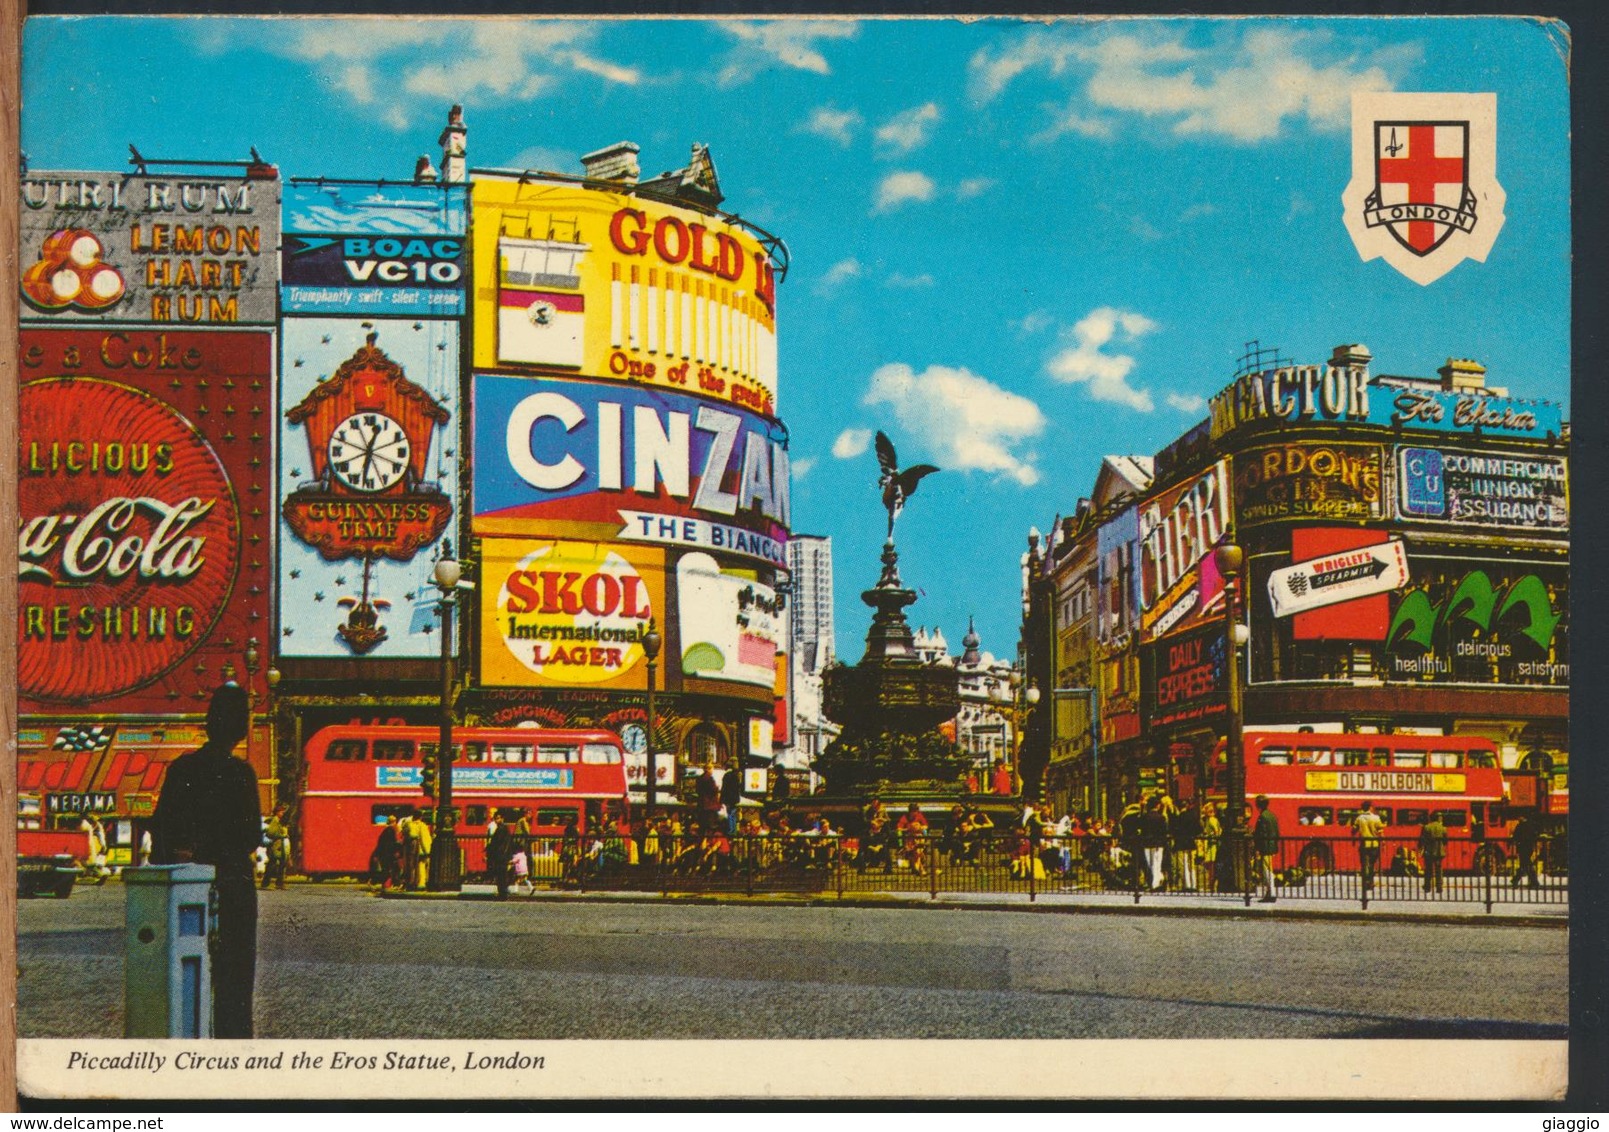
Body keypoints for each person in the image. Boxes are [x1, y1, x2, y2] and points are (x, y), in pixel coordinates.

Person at [151, 683, 262, 1038]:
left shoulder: (183, 769)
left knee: (185, 970)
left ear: (208, 722)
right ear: (241, 728)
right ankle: (234, 1046)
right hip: (233, 882)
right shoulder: (242, 774)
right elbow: (250, 837)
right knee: (235, 977)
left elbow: (161, 827)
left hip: (189, 881)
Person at [1351, 800, 1386, 893]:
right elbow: (1380, 832)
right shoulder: (1376, 818)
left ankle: (1366, 883)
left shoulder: (1359, 818)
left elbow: (1353, 830)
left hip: (1364, 844)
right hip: (1374, 844)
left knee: (1364, 864)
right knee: (1371, 864)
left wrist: (1354, 838)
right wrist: (1383, 843)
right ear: (1370, 807)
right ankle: (1370, 883)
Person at [1137, 795, 1169, 890]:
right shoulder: (1161, 818)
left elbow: (1141, 829)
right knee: (1157, 863)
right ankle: (1156, 883)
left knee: (1150, 864)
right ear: (1158, 805)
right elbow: (1164, 831)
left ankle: (1154, 882)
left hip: (1147, 843)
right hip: (1158, 844)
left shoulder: (1144, 817)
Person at [1252, 794, 1280, 903]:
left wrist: (1258, 848)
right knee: (1269, 869)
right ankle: (1270, 893)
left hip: (1265, 847)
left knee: (1267, 870)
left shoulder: (1262, 816)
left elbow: (1262, 834)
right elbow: (1277, 832)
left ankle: (1271, 893)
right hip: (1271, 846)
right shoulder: (1272, 815)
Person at [1171, 800, 1202, 891]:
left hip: (1181, 844)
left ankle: (1187, 885)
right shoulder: (1193, 817)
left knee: (1183, 865)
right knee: (1191, 865)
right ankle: (1194, 884)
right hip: (1191, 843)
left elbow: (1173, 831)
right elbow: (1199, 829)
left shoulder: (1178, 818)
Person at [262, 805, 292, 891]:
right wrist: (281, 835)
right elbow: (270, 833)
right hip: (275, 846)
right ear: (277, 813)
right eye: (282, 812)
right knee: (272, 864)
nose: (283, 814)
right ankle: (265, 883)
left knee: (282, 864)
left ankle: (280, 883)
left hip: (282, 846)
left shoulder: (281, 821)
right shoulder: (274, 821)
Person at [1418, 813, 1448, 894]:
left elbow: (1422, 840)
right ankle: (1439, 887)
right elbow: (1445, 841)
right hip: (1439, 852)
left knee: (1428, 870)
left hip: (1429, 852)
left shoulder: (1426, 827)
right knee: (1439, 870)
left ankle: (1427, 887)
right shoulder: (1443, 828)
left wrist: (1420, 848)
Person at [487, 810, 514, 900]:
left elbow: (496, 843)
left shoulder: (500, 829)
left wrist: (489, 852)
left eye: (498, 818)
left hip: (500, 855)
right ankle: (503, 893)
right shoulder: (505, 828)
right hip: (503, 855)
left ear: (502, 819)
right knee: (502, 875)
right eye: (496, 818)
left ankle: (502, 894)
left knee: (500, 875)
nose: (497, 820)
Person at [371, 817, 402, 890]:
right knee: (392, 869)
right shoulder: (391, 830)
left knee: (386, 869)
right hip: (388, 853)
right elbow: (392, 843)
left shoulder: (385, 830)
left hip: (384, 853)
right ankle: (392, 884)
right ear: (394, 822)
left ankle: (385, 884)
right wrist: (397, 848)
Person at [1511, 812, 1540, 887]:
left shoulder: (1521, 826)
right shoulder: (1530, 825)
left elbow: (1516, 836)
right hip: (1528, 847)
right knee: (1526, 865)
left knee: (1525, 865)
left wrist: (1516, 842)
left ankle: (1517, 880)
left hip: (1523, 847)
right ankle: (1533, 882)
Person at [720, 761, 744, 836]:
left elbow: (724, 788)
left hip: (728, 799)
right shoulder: (735, 775)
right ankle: (734, 830)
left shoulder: (726, 775)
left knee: (730, 814)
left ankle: (731, 831)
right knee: (733, 814)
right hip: (735, 798)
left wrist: (721, 799)